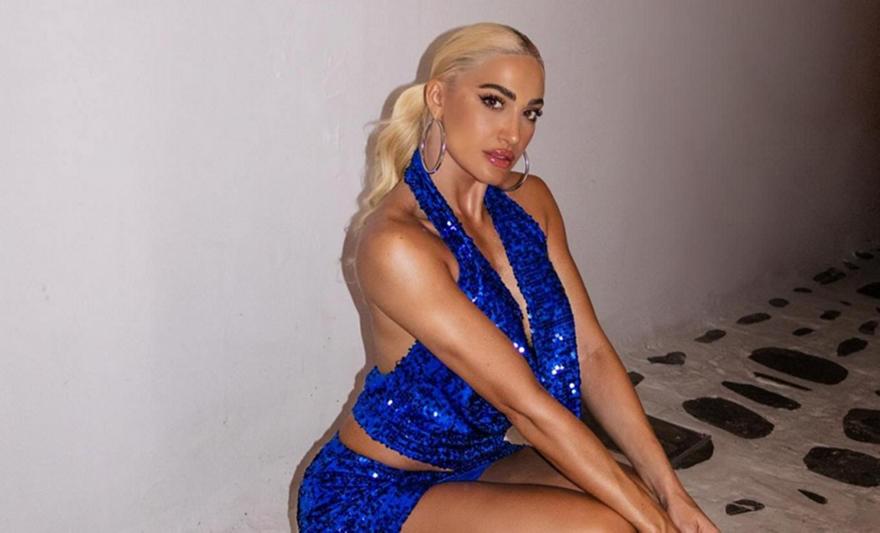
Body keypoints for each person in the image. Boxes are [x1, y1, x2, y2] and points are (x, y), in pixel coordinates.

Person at [296, 22, 718, 532]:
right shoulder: (398, 244)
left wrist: (672, 495)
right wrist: (659, 526)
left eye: (530, 112)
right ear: (438, 97)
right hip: (371, 493)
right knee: (610, 526)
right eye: (493, 101)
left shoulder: (532, 202)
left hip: (478, 463)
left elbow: (591, 352)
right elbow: (525, 407)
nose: (513, 134)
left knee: (635, 495)